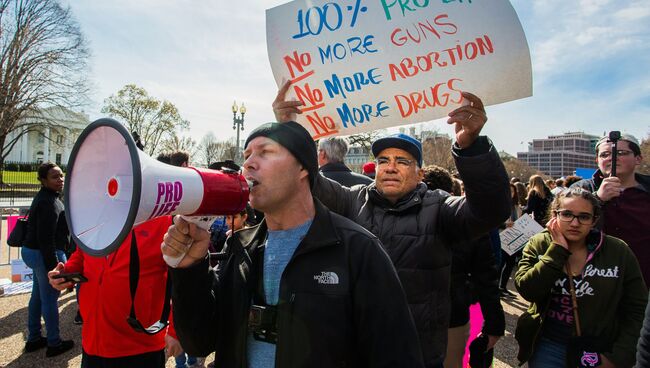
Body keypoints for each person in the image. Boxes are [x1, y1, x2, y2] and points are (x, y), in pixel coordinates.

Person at [273, 82, 510, 368]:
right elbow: (308, 181)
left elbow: (490, 210)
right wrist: (291, 131)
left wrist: (471, 148)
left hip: (415, 353)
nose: (390, 166)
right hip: (353, 350)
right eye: (383, 160)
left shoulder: (440, 208)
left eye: (402, 161)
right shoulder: (351, 200)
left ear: (420, 173)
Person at [162, 121, 424, 367]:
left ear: (303, 168)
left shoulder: (358, 250)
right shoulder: (240, 247)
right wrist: (189, 269)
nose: (249, 164)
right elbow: (198, 341)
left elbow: (397, 356)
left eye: (265, 152)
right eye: (247, 155)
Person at [514, 188, 647, 367]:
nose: (575, 223)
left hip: (599, 349)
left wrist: (618, 356)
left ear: (594, 220)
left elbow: (637, 309)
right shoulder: (539, 244)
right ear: (554, 215)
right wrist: (557, 251)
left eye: (584, 217)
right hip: (549, 346)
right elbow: (528, 290)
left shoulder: (618, 251)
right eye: (567, 214)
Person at [49, 217, 181, 368]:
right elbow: (81, 255)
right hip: (93, 342)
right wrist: (66, 272)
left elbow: (183, 280)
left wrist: (176, 331)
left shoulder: (164, 219)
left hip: (140, 348)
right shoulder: (96, 216)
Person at [422, 165, 504, 368]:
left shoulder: (464, 221)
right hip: (452, 313)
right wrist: (494, 324)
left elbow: (485, 274)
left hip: (445, 314)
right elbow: (487, 276)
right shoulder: (469, 222)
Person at [571, 133, 650, 285]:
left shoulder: (646, 190)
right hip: (592, 281)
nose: (612, 158)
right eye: (605, 154)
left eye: (621, 153)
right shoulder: (581, 189)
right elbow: (561, 224)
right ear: (597, 160)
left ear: (638, 159)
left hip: (642, 280)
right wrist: (596, 199)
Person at [21, 162, 74, 357]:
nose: (60, 179)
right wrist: (55, 270)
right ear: (43, 180)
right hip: (42, 253)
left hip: (33, 252)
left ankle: (34, 338)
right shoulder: (48, 202)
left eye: (61, 175)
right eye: (54, 177)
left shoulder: (49, 198)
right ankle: (54, 343)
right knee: (50, 298)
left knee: (38, 296)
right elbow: (46, 240)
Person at [498, 183, 524, 298]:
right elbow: (494, 222)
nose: (510, 194)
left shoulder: (517, 207)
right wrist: (504, 225)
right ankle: (497, 288)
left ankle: (503, 287)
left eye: (512, 192)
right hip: (502, 238)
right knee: (500, 263)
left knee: (510, 263)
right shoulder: (499, 205)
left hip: (514, 239)